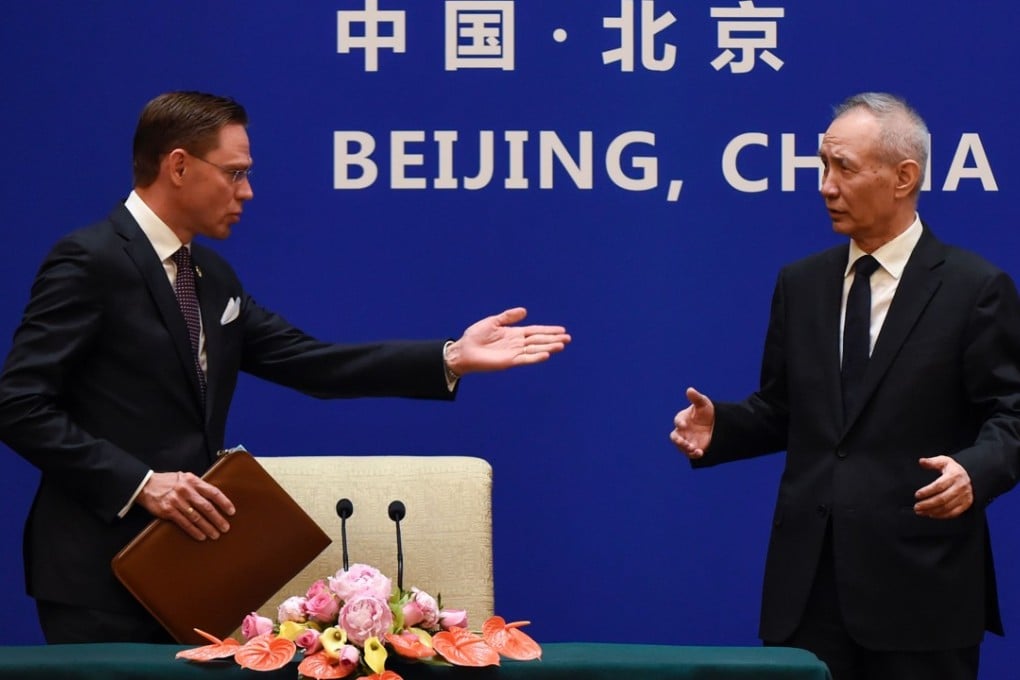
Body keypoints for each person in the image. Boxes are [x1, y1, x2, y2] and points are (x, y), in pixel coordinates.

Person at [0, 91, 570, 645]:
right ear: (178, 166)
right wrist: (142, 483)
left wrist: (449, 357)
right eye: (234, 173)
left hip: (188, 572)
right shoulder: (90, 260)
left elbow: (311, 363)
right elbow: (18, 404)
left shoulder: (211, 276)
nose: (247, 191)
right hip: (97, 575)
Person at [670, 92, 1020, 680]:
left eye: (845, 168)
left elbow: (1011, 413)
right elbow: (785, 408)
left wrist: (975, 471)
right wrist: (722, 428)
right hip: (808, 592)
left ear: (904, 177)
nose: (826, 186)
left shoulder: (974, 288)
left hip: (922, 592)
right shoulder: (802, 284)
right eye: (823, 166)